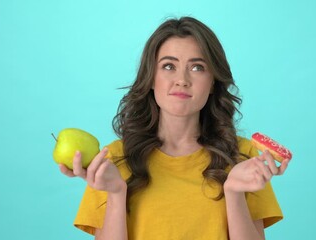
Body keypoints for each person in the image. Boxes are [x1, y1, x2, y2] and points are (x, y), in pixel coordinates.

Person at [59, 16, 290, 240]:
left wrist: (234, 193)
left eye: (197, 67)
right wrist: (117, 193)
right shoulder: (111, 161)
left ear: (212, 83)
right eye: (169, 66)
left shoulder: (244, 157)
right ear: (150, 78)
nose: (182, 79)